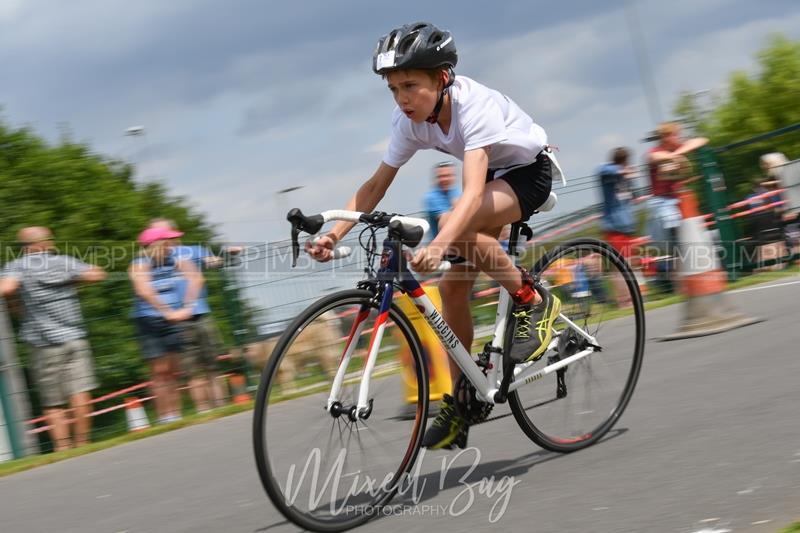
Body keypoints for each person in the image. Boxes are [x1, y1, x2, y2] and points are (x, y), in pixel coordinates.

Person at [306, 22, 564, 450]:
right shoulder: (409, 122)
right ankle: (462, 398)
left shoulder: (472, 105)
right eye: (393, 89)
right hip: (492, 181)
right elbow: (375, 185)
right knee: (451, 290)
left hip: (525, 173)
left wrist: (441, 243)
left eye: (410, 85)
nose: (402, 98)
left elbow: (474, 192)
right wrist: (335, 233)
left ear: (442, 78)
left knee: (455, 228)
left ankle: (533, 301)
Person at [0, 226, 106, 451]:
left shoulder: (17, 266)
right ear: (40, 244)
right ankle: (83, 443)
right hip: (75, 337)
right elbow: (97, 274)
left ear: (25, 247)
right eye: (50, 239)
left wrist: (17, 302)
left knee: (52, 401)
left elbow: (6, 288)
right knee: (79, 391)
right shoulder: (63, 262)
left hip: (43, 343)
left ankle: (62, 448)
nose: (52, 242)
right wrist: (71, 282)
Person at [148, 219, 233, 411]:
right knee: (192, 371)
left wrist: (225, 255)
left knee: (212, 365)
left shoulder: (193, 250)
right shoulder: (152, 259)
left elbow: (214, 263)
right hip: (177, 319)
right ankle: (203, 410)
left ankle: (222, 407)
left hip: (201, 314)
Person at [129, 226, 203, 424]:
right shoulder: (140, 264)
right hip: (150, 320)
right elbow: (143, 291)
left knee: (173, 369)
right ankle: (165, 416)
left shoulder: (175, 259)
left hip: (174, 318)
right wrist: (167, 312)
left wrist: (188, 306)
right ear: (158, 244)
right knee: (159, 372)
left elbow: (196, 278)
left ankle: (176, 414)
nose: (173, 245)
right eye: (169, 242)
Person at [646, 122, 708, 291]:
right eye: (676, 135)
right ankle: (681, 285)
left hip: (677, 201)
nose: (679, 138)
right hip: (662, 203)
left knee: (684, 244)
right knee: (675, 247)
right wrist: (673, 156)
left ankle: (686, 284)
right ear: (666, 137)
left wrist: (678, 153)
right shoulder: (654, 152)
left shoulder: (676, 149)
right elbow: (654, 158)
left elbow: (702, 140)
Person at [598, 147, 638, 305]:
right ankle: (623, 301)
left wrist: (628, 175)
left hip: (627, 225)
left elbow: (633, 195)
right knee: (620, 266)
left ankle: (631, 297)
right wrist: (623, 171)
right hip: (614, 226)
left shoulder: (626, 176)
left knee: (630, 263)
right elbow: (603, 170)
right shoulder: (607, 171)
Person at [424, 161, 460, 239]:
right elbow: (446, 221)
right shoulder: (432, 197)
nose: (445, 179)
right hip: (440, 245)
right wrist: (459, 207)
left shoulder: (458, 192)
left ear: (453, 177)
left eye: (448, 176)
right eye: (441, 176)